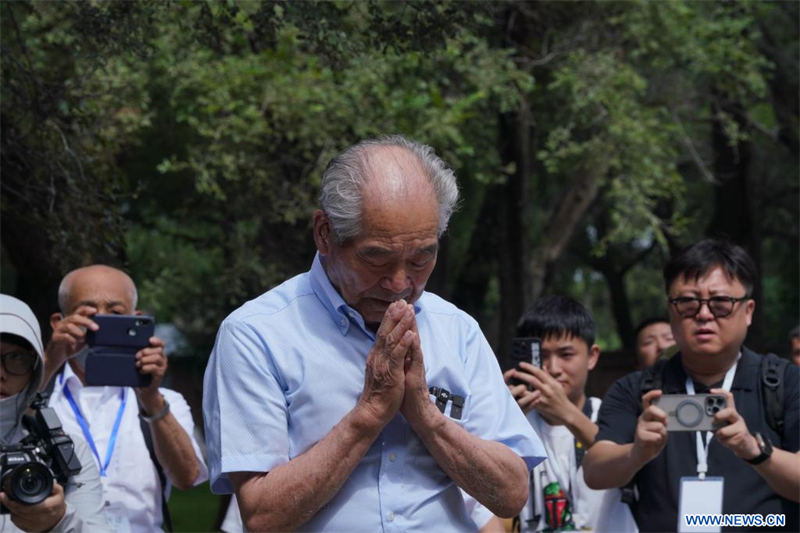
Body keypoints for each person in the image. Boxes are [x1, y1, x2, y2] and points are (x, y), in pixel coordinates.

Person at [203, 135, 546, 532]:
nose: (399, 283)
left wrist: (427, 417)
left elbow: (511, 494)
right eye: (377, 258)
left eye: (421, 258)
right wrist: (369, 415)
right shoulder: (256, 334)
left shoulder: (457, 330)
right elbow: (262, 516)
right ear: (324, 233)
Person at [583, 238, 799, 532]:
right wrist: (636, 453)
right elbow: (594, 472)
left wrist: (755, 450)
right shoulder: (637, 389)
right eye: (688, 302)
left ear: (748, 311)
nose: (704, 314)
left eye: (720, 302)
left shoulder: (785, 382)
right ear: (671, 310)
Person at [44, 265, 209, 533]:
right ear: (58, 323)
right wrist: (49, 362)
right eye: (87, 314)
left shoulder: (163, 401)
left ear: (136, 319)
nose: (100, 324)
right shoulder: (38, 399)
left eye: (116, 314)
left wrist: (151, 398)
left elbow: (187, 478)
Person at [503, 296, 636, 532]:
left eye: (566, 355)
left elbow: (629, 462)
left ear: (592, 356)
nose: (554, 369)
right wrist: (503, 419)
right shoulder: (516, 422)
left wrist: (567, 413)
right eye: (542, 356)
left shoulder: (613, 414)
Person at [0, 294, 109, 532]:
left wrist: (58, 523)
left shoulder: (64, 452)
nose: (1, 373)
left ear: (35, 370)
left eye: (16, 357)